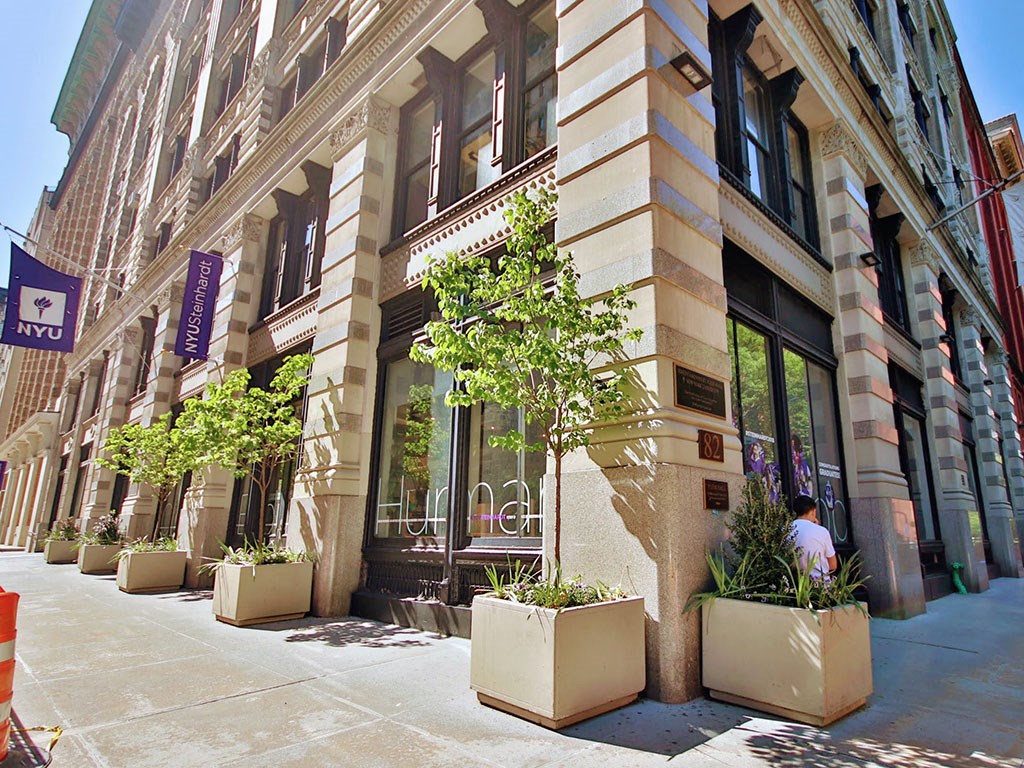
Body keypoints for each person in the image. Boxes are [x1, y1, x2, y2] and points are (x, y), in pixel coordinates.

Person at [790, 494, 836, 579]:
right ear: (813, 511)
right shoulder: (822, 531)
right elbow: (833, 565)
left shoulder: (786, 530)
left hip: (794, 581)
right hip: (820, 582)